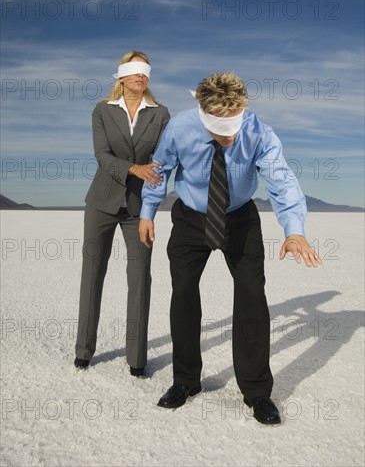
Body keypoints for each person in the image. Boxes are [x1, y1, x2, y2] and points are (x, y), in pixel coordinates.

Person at [139, 71, 321, 423]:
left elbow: (281, 178)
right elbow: (159, 169)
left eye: (234, 126)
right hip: (191, 218)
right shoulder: (180, 128)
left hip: (239, 218)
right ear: (203, 113)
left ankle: (256, 392)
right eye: (221, 129)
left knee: (253, 294)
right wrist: (148, 211)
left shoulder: (258, 132)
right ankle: (186, 381)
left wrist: (294, 229)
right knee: (185, 293)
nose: (230, 136)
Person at [75, 50, 170, 377]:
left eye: (145, 73)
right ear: (121, 76)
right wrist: (134, 168)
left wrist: (152, 180)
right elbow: (102, 155)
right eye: (134, 72)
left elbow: (164, 156)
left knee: (140, 278)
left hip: (139, 207)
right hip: (101, 202)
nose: (140, 78)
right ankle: (83, 350)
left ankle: (137, 359)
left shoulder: (160, 114)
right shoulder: (102, 110)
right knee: (92, 274)